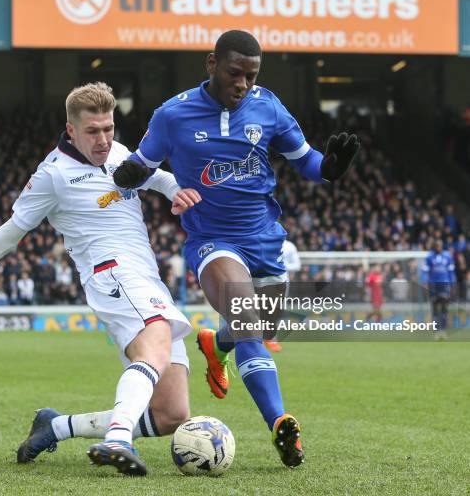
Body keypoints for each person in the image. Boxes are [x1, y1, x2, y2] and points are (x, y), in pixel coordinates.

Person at [0, 82, 201, 476]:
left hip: (147, 278)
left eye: (108, 128)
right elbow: (10, 232)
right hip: (112, 274)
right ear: (70, 130)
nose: (103, 140)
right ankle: (118, 438)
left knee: (172, 411)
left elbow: (156, 176)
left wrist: (176, 190)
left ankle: (56, 425)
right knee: (152, 347)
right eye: (92, 131)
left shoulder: (119, 153)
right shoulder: (54, 175)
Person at [113, 30, 359, 468]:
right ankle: (280, 422)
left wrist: (332, 168)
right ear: (212, 64)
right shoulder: (174, 114)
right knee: (248, 322)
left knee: (255, 327)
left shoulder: (268, 107)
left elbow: (307, 161)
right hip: (213, 242)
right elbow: (143, 165)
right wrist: (126, 173)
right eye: (234, 73)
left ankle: (215, 343)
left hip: (265, 239)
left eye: (251, 74)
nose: (242, 83)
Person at [422, 239, 456, 340]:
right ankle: (437, 332)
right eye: (437, 246)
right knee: (435, 310)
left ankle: (443, 331)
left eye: (440, 246)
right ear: (434, 246)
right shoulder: (429, 257)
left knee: (444, 310)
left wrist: (452, 283)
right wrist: (425, 282)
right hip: (433, 286)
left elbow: (451, 272)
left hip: (445, 286)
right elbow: (425, 271)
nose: (439, 248)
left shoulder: (447, 256)